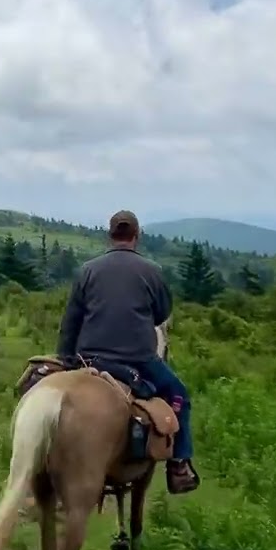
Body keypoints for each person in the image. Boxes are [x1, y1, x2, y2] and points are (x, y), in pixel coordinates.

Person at [56, 209, 199, 494]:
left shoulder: (87, 270)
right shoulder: (152, 271)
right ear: (136, 236)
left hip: (90, 357)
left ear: (110, 236)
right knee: (180, 393)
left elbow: (70, 322)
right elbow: (161, 316)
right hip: (138, 359)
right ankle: (179, 465)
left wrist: (66, 361)